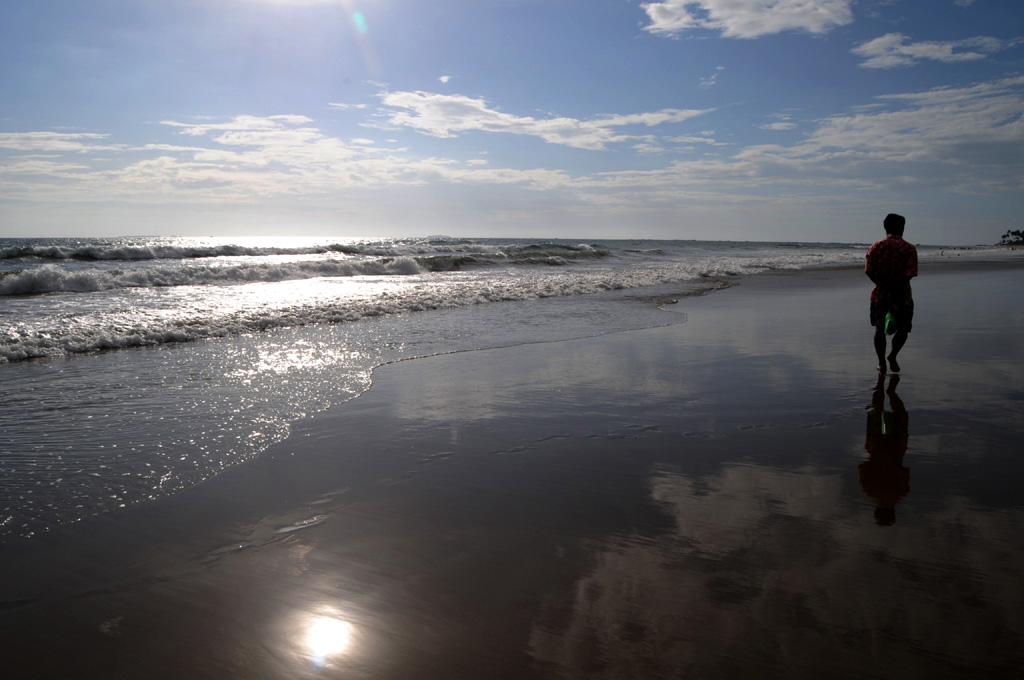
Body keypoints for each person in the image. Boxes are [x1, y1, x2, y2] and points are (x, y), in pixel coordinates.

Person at [866, 213, 917, 374]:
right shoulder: (909, 248)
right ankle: (893, 355)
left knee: (879, 329)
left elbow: (869, 271)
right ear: (902, 228)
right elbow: (910, 273)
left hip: (880, 295)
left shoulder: (876, 246)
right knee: (903, 329)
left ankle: (881, 363)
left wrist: (885, 287)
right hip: (902, 296)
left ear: (885, 227)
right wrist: (895, 289)